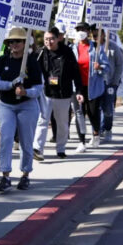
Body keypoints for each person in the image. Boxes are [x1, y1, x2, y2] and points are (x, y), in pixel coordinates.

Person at [0, 27, 42, 190]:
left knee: (26, 142)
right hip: (6, 105)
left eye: (18, 41)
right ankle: (5, 175)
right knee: (6, 139)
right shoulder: (2, 61)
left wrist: (26, 91)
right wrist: (11, 84)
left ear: (25, 43)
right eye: (11, 41)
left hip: (27, 106)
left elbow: (39, 87)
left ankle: (25, 174)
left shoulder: (32, 62)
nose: (14, 44)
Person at [33, 27, 83, 161]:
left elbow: (76, 73)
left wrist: (78, 91)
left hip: (63, 93)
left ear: (58, 38)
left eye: (51, 39)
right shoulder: (40, 53)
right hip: (46, 92)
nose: (48, 42)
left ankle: (60, 148)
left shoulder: (67, 52)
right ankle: (38, 149)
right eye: (46, 39)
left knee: (62, 123)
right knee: (42, 120)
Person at [71, 23, 108, 152]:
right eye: (78, 29)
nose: (80, 31)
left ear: (88, 31)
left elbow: (106, 67)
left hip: (93, 87)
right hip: (77, 87)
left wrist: (100, 68)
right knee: (79, 113)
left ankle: (96, 133)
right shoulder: (72, 48)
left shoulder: (96, 48)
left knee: (93, 113)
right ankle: (81, 141)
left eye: (83, 29)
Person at [96, 28, 123, 143]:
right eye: (93, 35)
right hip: (96, 83)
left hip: (110, 83)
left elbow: (120, 64)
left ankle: (107, 129)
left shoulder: (113, 47)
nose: (96, 37)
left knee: (108, 108)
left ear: (103, 34)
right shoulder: (93, 46)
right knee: (97, 108)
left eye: (98, 34)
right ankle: (98, 130)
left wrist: (115, 81)